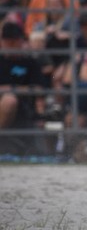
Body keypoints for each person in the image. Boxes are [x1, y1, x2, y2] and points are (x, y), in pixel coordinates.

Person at [0, 21, 45, 155]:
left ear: (21, 41)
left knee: (10, 100)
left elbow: (39, 90)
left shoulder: (30, 63)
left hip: (23, 108)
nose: (12, 45)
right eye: (8, 41)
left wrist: (12, 89)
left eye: (15, 41)